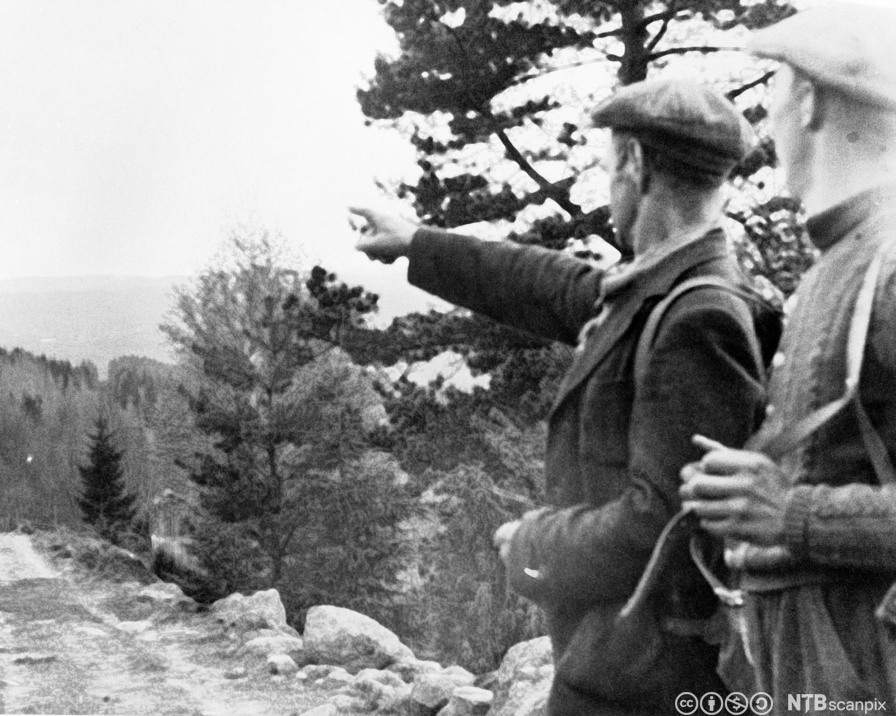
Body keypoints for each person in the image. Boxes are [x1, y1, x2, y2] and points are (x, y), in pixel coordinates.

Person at [352, 78, 780, 715]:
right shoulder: (663, 289)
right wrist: (418, 242)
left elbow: (660, 526)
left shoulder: (698, 318)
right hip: (623, 668)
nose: (609, 184)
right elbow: (548, 284)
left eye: (610, 166)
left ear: (635, 165)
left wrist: (533, 543)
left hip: (649, 685)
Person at [679, 3, 896, 707]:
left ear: (805, 100)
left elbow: (798, 510)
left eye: (772, 90)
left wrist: (793, 513)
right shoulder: (841, 260)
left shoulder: (887, 264)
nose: (766, 123)